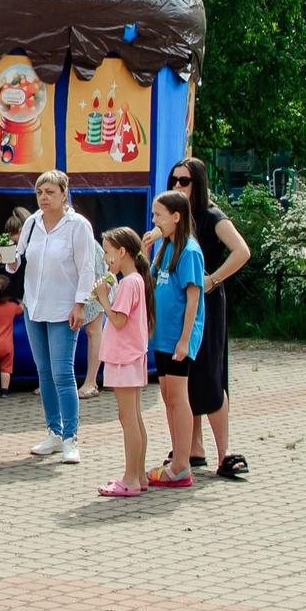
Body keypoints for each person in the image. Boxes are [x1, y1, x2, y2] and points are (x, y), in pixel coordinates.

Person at [162, 159, 253, 479]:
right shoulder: (177, 217)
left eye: (184, 181)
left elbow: (242, 251)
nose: (177, 185)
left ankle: (223, 452)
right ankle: (192, 448)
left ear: (198, 183)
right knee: (186, 375)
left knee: (211, 375)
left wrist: (213, 280)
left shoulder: (212, 216)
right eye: (173, 180)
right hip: (181, 306)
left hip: (207, 305)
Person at [11, 170, 97, 462]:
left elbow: (87, 267)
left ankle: (71, 438)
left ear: (64, 193)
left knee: (62, 373)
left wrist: (80, 304)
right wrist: (9, 260)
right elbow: (17, 261)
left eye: (49, 192)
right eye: (39, 192)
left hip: (64, 308)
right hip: (34, 307)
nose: (44, 198)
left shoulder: (78, 226)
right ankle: (54, 433)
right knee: (44, 372)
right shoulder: (32, 223)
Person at [145, 190, 207, 489]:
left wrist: (185, 340)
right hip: (162, 335)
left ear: (176, 217)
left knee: (179, 397)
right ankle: (177, 457)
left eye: (159, 214)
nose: (154, 220)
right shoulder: (164, 247)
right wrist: (144, 251)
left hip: (178, 338)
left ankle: (183, 464)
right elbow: (150, 281)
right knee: (168, 396)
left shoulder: (190, 251)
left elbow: (193, 299)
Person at [92, 227, 153, 498]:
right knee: (133, 416)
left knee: (128, 418)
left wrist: (103, 298)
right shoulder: (134, 280)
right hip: (132, 356)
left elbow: (118, 320)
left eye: (107, 252)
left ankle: (130, 479)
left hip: (124, 358)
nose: (105, 258)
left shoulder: (129, 282)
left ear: (122, 252)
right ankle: (139, 475)